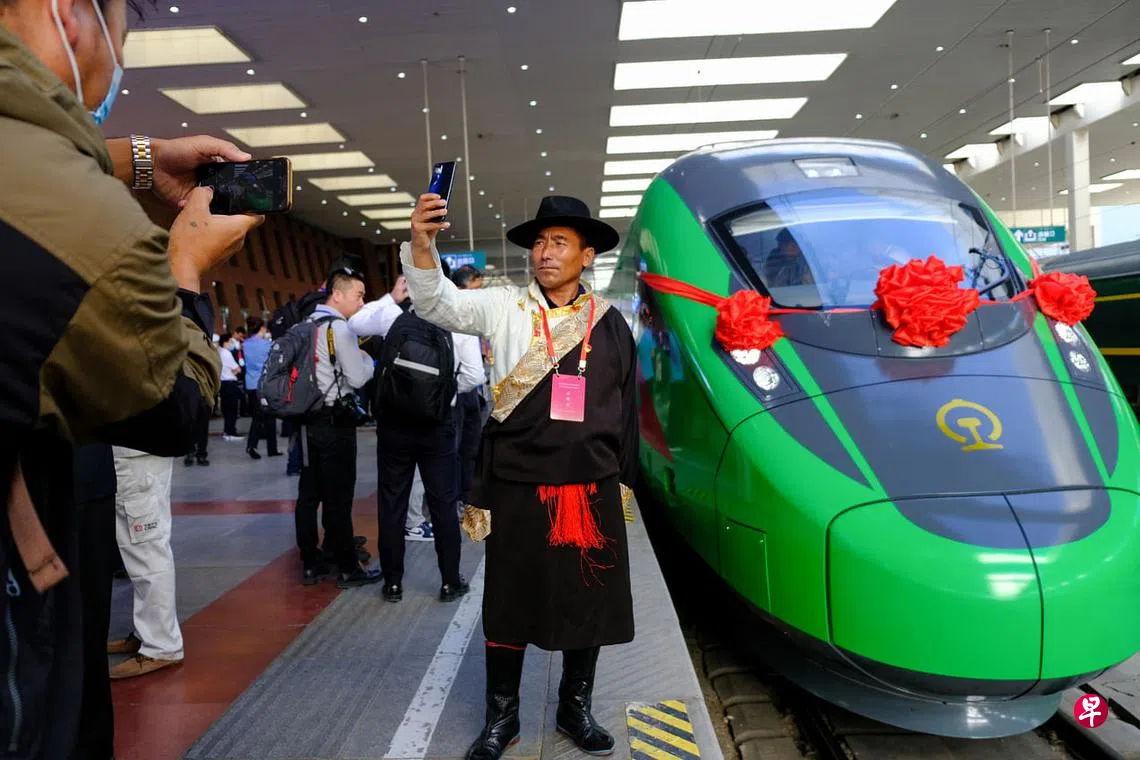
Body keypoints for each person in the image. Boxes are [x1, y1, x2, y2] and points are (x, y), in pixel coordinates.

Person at [0, 0, 263, 755]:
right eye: (123, 30)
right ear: (70, 15)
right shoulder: (83, 222)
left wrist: (143, 158)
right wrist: (184, 265)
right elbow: (172, 408)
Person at [403, 194, 639, 760]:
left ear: (586, 256)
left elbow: (626, 411)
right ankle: (501, 717)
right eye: (538, 242)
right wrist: (421, 242)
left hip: (589, 490)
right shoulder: (503, 304)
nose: (544, 252)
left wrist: (623, 484)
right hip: (519, 486)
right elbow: (436, 302)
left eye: (559, 242)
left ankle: (574, 708)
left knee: (587, 601)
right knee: (509, 603)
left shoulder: (610, 323)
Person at [349, 263, 483, 603]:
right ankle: (450, 581)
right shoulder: (458, 321)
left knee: (392, 502)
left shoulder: (392, 316)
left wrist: (391, 298)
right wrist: (443, 397)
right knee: (442, 502)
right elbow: (474, 376)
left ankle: (393, 583)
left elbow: (354, 323)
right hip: (437, 426)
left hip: (394, 425)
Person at [294, 264, 380, 587]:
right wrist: (368, 361)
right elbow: (357, 377)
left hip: (307, 421)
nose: (361, 302)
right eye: (358, 295)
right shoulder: (339, 329)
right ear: (337, 294)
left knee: (308, 495)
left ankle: (310, 562)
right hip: (335, 423)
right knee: (338, 497)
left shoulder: (304, 325)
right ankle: (347, 567)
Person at [106, 446, 182, 679]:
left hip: (135, 459)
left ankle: (161, 645)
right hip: (138, 455)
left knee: (147, 551)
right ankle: (147, 633)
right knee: (141, 549)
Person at [242, 319, 280, 459]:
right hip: (266, 382)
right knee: (270, 415)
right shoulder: (267, 344)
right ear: (262, 329)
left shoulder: (245, 344)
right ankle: (270, 448)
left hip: (251, 383)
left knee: (257, 416)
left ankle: (254, 445)